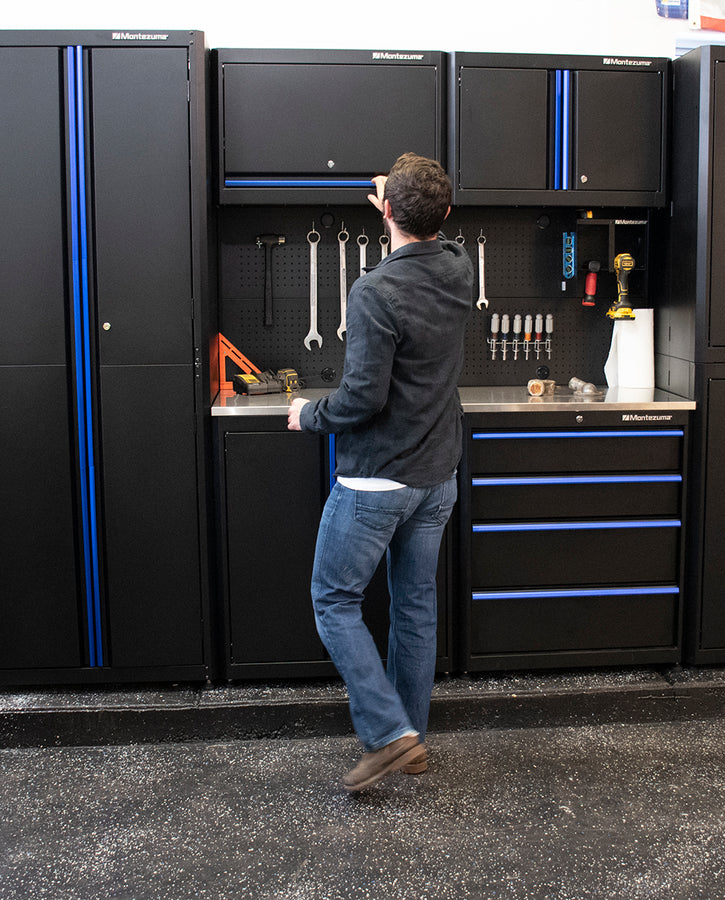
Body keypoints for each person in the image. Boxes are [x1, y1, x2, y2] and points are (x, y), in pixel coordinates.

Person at [287, 153, 473, 792]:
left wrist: (307, 414)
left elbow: (360, 399)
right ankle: (411, 738)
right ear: (445, 216)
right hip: (436, 477)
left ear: (385, 211)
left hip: (377, 481)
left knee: (333, 600)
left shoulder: (374, 291)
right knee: (414, 608)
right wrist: (399, 204)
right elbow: (425, 232)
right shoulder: (458, 269)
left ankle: (389, 735)